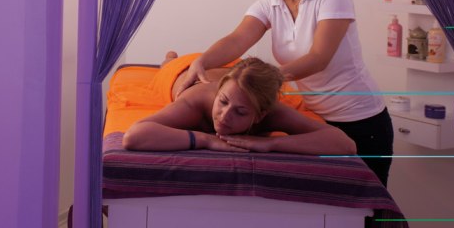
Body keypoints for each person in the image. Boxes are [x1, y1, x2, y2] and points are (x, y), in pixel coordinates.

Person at [173, 0, 393, 185]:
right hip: (314, 120)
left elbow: (319, 58)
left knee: (368, 205)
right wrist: (202, 62)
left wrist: (261, 82)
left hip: (361, 119)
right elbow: (238, 39)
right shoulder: (271, 2)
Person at [122, 56, 356, 155]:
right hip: (182, 73)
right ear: (219, 93)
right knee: (169, 65)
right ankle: (170, 57)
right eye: (223, 102)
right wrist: (205, 140)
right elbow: (134, 136)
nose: (224, 116)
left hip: (234, 72)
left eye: (241, 112)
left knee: (241, 78)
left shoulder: (272, 112)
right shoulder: (195, 103)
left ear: (260, 115)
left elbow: (345, 144)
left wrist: (271, 144)